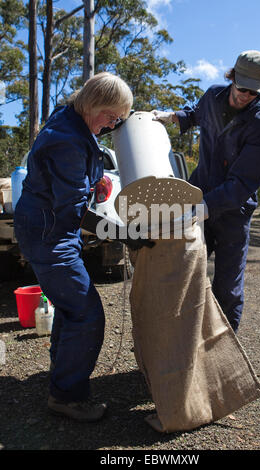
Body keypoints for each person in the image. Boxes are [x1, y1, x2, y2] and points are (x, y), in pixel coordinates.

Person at [14, 72, 134, 421]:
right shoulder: (66, 139)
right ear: (94, 104)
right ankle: (67, 395)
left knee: (70, 308)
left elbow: (74, 186)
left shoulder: (72, 122)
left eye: (118, 120)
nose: (112, 124)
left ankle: (61, 381)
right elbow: (71, 208)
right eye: (111, 117)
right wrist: (122, 233)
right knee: (87, 314)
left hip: (48, 229)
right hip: (50, 235)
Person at [152, 50, 260, 333]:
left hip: (234, 211)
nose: (246, 95)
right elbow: (197, 115)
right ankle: (179, 340)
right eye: (242, 87)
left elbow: (243, 183)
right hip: (199, 195)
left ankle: (223, 349)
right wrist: (170, 117)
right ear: (232, 77)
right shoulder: (212, 96)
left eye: (254, 92)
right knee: (183, 271)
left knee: (228, 286)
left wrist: (201, 209)